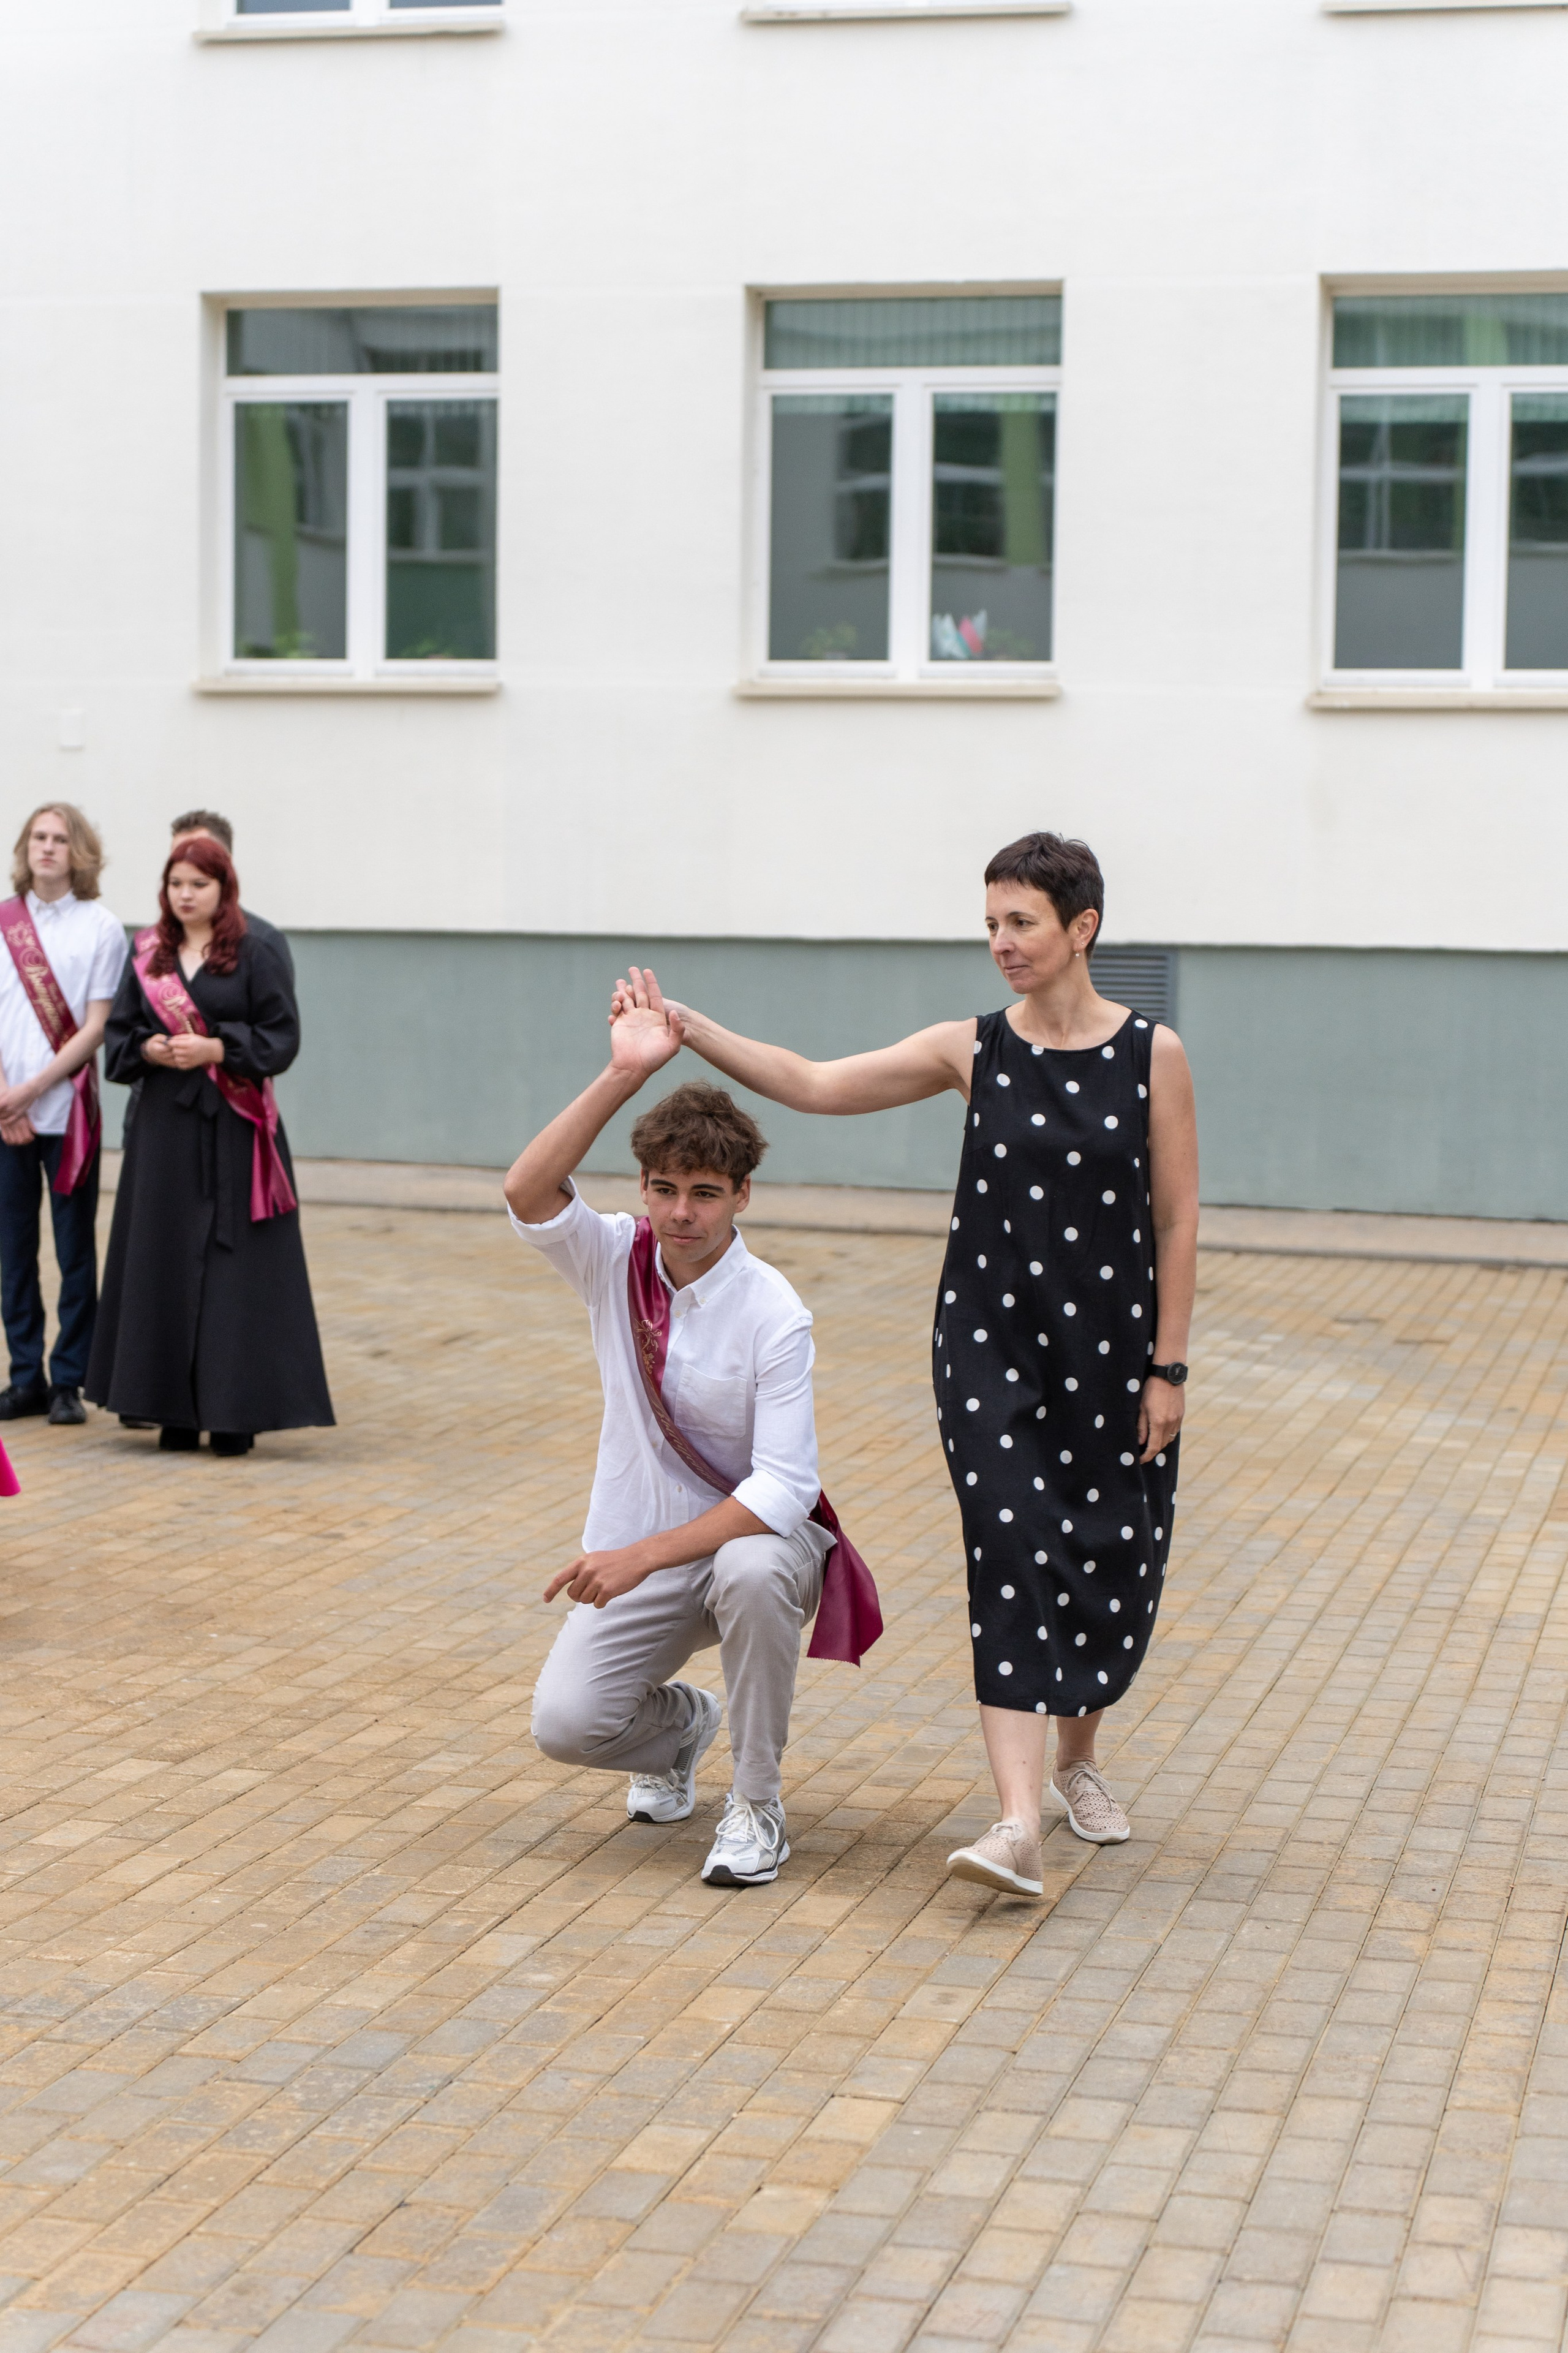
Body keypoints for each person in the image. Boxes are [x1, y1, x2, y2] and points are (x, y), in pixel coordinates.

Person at [613, 829, 1199, 1898]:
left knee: (1111, 1560)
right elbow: (815, 1084)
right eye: (990, 924)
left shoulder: (1152, 1054)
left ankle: (1077, 1762)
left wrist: (1170, 1367)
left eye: (1020, 923)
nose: (1001, 944)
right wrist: (691, 1030)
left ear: (1083, 928)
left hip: (1114, 1354)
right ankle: (1017, 1822)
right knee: (1014, 1553)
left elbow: (1177, 1214)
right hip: (992, 1349)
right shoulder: (970, 1049)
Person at [505, 1017, 878, 1890]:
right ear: (641, 1186)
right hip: (645, 1553)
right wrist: (621, 1073)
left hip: (758, 1548)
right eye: (663, 1187)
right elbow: (526, 1191)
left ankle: (756, 1808)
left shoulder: (773, 1311)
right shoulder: (615, 1257)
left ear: (743, 1195)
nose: (680, 1212)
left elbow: (786, 1487)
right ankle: (680, 1731)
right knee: (566, 1725)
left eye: (705, 1192)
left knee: (748, 1570)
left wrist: (640, 1556)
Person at [85, 834, 333, 1454]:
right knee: (161, 1257)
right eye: (176, 884)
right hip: (165, 1128)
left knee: (235, 1271)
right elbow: (120, 1037)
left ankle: (233, 1414)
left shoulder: (254, 950)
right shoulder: (149, 952)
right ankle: (165, 1408)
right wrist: (151, 1048)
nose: (186, 894)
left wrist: (218, 1048)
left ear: (224, 887)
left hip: (236, 1128)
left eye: (199, 883)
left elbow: (283, 1037)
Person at [0, 805, 127, 1426]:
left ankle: (68, 1380)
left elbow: (99, 1026)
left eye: (60, 840)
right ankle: (25, 1375)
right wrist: (6, 1099)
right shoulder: (2, 923)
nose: (47, 848)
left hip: (69, 1114)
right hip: (7, 1118)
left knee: (76, 1251)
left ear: (79, 853)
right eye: (38, 838)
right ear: (25, 850)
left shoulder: (101, 927)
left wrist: (33, 1089)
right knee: (13, 1249)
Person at [168, 812, 294, 986]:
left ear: (226, 864)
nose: (186, 862)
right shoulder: (151, 946)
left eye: (198, 852)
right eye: (179, 855)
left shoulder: (261, 942)